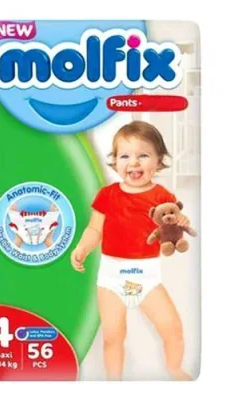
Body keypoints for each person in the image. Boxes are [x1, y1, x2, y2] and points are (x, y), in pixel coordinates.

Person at [71, 121, 192, 380]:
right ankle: (114, 380)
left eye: (143, 155)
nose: (134, 163)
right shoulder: (107, 195)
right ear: (115, 161)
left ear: (158, 161)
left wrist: (182, 223)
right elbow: (95, 229)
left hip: (147, 277)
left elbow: (172, 226)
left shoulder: (162, 196)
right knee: (113, 335)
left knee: (172, 327)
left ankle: (174, 368)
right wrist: (82, 247)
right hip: (111, 278)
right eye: (125, 156)